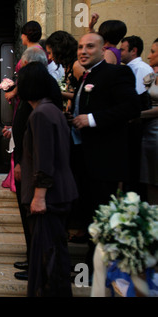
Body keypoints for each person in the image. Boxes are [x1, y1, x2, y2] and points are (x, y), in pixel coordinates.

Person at [70, 33, 140, 272]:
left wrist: (92, 119)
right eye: (80, 47)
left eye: (90, 46)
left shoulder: (116, 73)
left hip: (104, 159)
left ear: (103, 50)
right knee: (89, 213)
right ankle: (90, 267)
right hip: (83, 157)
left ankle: (98, 270)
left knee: (101, 215)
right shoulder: (86, 77)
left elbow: (133, 107)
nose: (83, 51)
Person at [17, 61, 78, 297]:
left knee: (49, 260)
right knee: (54, 256)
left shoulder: (41, 113)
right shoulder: (52, 109)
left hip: (49, 198)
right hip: (60, 193)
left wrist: (39, 197)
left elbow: (45, 159)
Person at [1, 47, 61, 282]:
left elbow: (38, 138)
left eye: (22, 66)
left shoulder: (41, 104)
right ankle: (33, 257)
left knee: (35, 219)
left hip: (31, 164)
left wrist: (20, 162)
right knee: (30, 219)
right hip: (26, 158)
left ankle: (39, 264)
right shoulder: (39, 95)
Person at [120, 36, 154, 196]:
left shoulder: (141, 69)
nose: (149, 55)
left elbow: (141, 98)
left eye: (153, 52)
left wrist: (134, 113)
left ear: (133, 51)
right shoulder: (149, 73)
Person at [45, 31, 85, 109]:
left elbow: (84, 95)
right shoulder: (68, 65)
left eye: (50, 53)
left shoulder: (77, 66)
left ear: (58, 50)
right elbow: (73, 89)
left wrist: (58, 93)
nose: (49, 57)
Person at [140, 38, 158, 204]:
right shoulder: (152, 76)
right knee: (150, 178)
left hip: (156, 132)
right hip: (148, 133)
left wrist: (140, 114)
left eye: (153, 51)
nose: (149, 56)